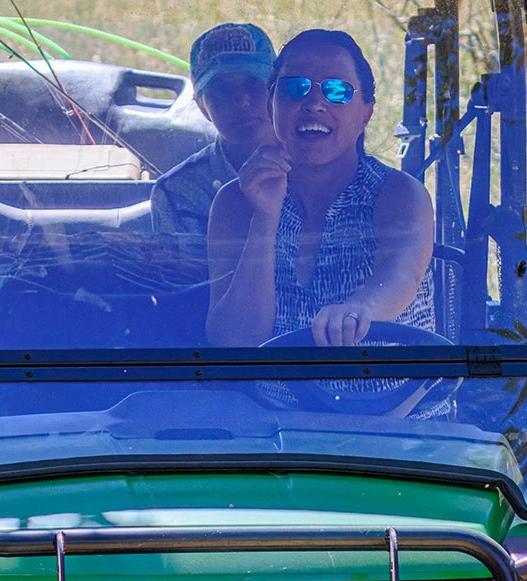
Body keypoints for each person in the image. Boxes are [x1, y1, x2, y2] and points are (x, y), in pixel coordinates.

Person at [206, 29, 435, 347]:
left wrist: (359, 310)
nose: (314, 104)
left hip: (402, 397)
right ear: (272, 105)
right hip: (266, 398)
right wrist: (265, 218)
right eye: (294, 88)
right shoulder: (235, 200)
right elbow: (234, 344)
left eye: (337, 91)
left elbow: (402, 276)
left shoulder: (398, 193)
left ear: (366, 114)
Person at [150, 22, 277, 242]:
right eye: (222, 89)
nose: (242, 101)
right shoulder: (176, 193)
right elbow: (188, 275)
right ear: (201, 107)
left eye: (253, 83)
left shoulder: (319, 169)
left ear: (277, 90)